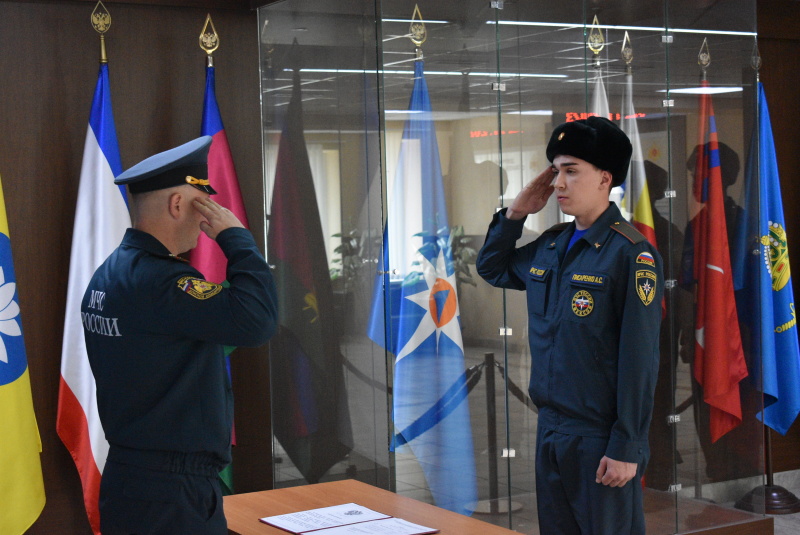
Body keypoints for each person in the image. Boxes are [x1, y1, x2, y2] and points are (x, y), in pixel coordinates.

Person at [476, 117, 664, 534]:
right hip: (551, 429)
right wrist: (516, 213)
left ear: (604, 178)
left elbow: (640, 359)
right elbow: (492, 267)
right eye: (556, 171)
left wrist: (627, 446)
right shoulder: (552, 244)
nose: (559, 183)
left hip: (599, 437)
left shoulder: (631, 255)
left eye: (571, 171)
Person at [81, 136, 278, 535]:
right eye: (202, 204)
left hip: (130, 478)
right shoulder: (165, 282)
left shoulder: (109, 274)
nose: (208, 218)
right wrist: (237, 239)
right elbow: (257, 321)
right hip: (172, 491)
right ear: (176, 205)